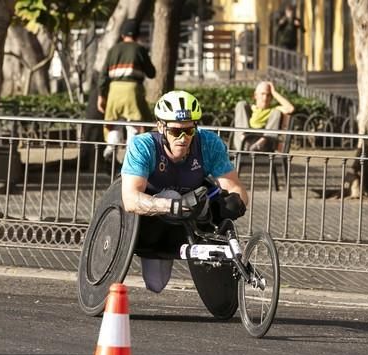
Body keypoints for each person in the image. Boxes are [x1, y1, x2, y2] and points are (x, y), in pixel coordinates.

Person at [121, 90, 248, 293]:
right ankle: (156, 249)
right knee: (156, 284)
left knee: (226, 202)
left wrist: (235, 202)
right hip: (151, 224)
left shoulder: (208, 143)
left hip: (193, 215)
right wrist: (173, 204)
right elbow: (130, 199)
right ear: (161, 126)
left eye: (189, 131)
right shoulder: (143, 145)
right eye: (175, 131)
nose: (183, 138)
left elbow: (234, 186)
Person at [97, 18, 156, 162]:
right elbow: (151, 73)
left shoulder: (113, 50)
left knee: (114, 123)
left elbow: (103, 74)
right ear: (137, 35)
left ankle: (110, 148)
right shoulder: (139, 49)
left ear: (122, 34)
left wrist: (101, 95)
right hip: (133, 90)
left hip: (114, 90)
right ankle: (132, 155)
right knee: (134, 124)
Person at [233, 81, 294, 152]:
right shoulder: (249, 108)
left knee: (276, 112)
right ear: (255, 95)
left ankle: (257, 145)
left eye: (268, 95)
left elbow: (290, 109)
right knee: (241, 104)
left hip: (262, 144)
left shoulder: (272, 110)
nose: (265, 98)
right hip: (243, 141)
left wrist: (274, 92)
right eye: (262, 94)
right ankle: (244, 141)